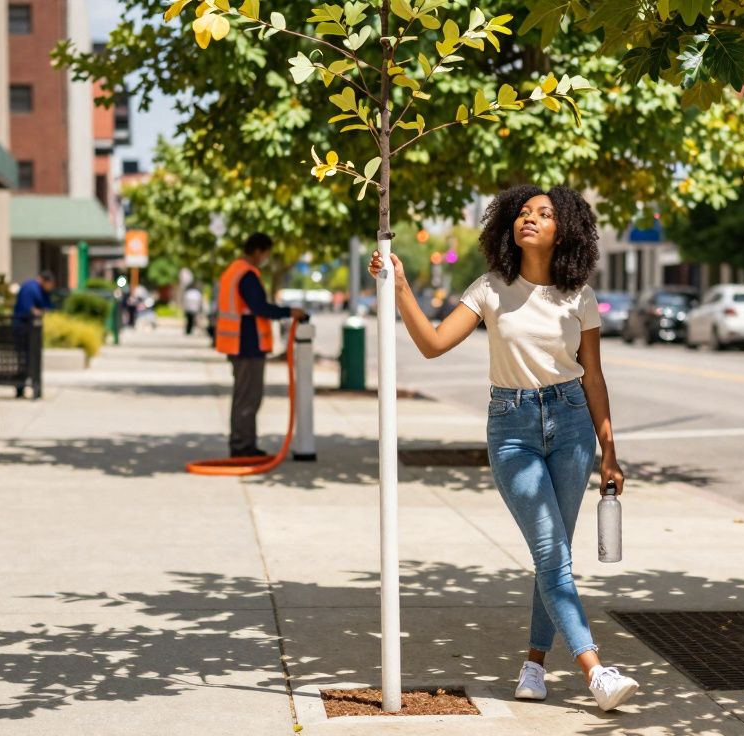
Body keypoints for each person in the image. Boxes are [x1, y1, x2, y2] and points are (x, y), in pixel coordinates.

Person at [368, 185, 639, 712]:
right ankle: (596, 672)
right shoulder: (490, 289)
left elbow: (596, 379)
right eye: (522, 212)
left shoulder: (578, 297)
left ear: (566, 230)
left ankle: (534, 665)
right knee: (550, 552)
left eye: (543, 213)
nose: (529, 219)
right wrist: (401, 286)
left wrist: (610, 450)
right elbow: (432, 344)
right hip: (512, 428)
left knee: (553, 555)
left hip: (573, 424)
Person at [215, 233, 305, 458]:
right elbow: (259, 307)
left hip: (239, 344)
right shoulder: (246, 274)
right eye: (266, 253)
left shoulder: (233, 271)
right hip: (247, 345)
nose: (266, 258)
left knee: (244, 396)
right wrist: (288, 312)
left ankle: (243, 445)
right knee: (248, 398)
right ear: (257, 251)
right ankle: (242, 447)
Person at [11, 270, 56, 398]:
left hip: (30, 331)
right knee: (24, 360)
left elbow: (46, 307)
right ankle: (21, 387)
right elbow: (29, 309)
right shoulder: (30, 288)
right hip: (22, 329)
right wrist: (38, 312)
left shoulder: (41, 290)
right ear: (44, 280)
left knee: (29, 360)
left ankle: (26, 386)